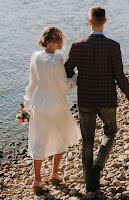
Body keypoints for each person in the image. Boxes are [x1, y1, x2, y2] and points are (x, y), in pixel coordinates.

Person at [65, 6, 129, 194]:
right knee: (110, 132)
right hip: (107, 99)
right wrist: (128, 93)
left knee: (87, 141)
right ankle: (98, 167)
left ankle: (90, 186)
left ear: (89, 22)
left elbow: (67, 70)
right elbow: (119, 74)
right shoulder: (113, 46)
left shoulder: (77, 45)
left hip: (86, 100)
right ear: (104, 21)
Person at [23, 26, 81, 195]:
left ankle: (37, 180)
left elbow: (32, 84)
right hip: (56, 103)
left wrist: (27, 104)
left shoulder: (35, 56)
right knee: (61, 136)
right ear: (48, 41)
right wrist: (76, 77)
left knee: (39, 140)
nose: (61, 42)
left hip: (39, 103)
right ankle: (54, 175)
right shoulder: (57, 60)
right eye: (57, 39)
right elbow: (64, 87)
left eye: (61, 38)